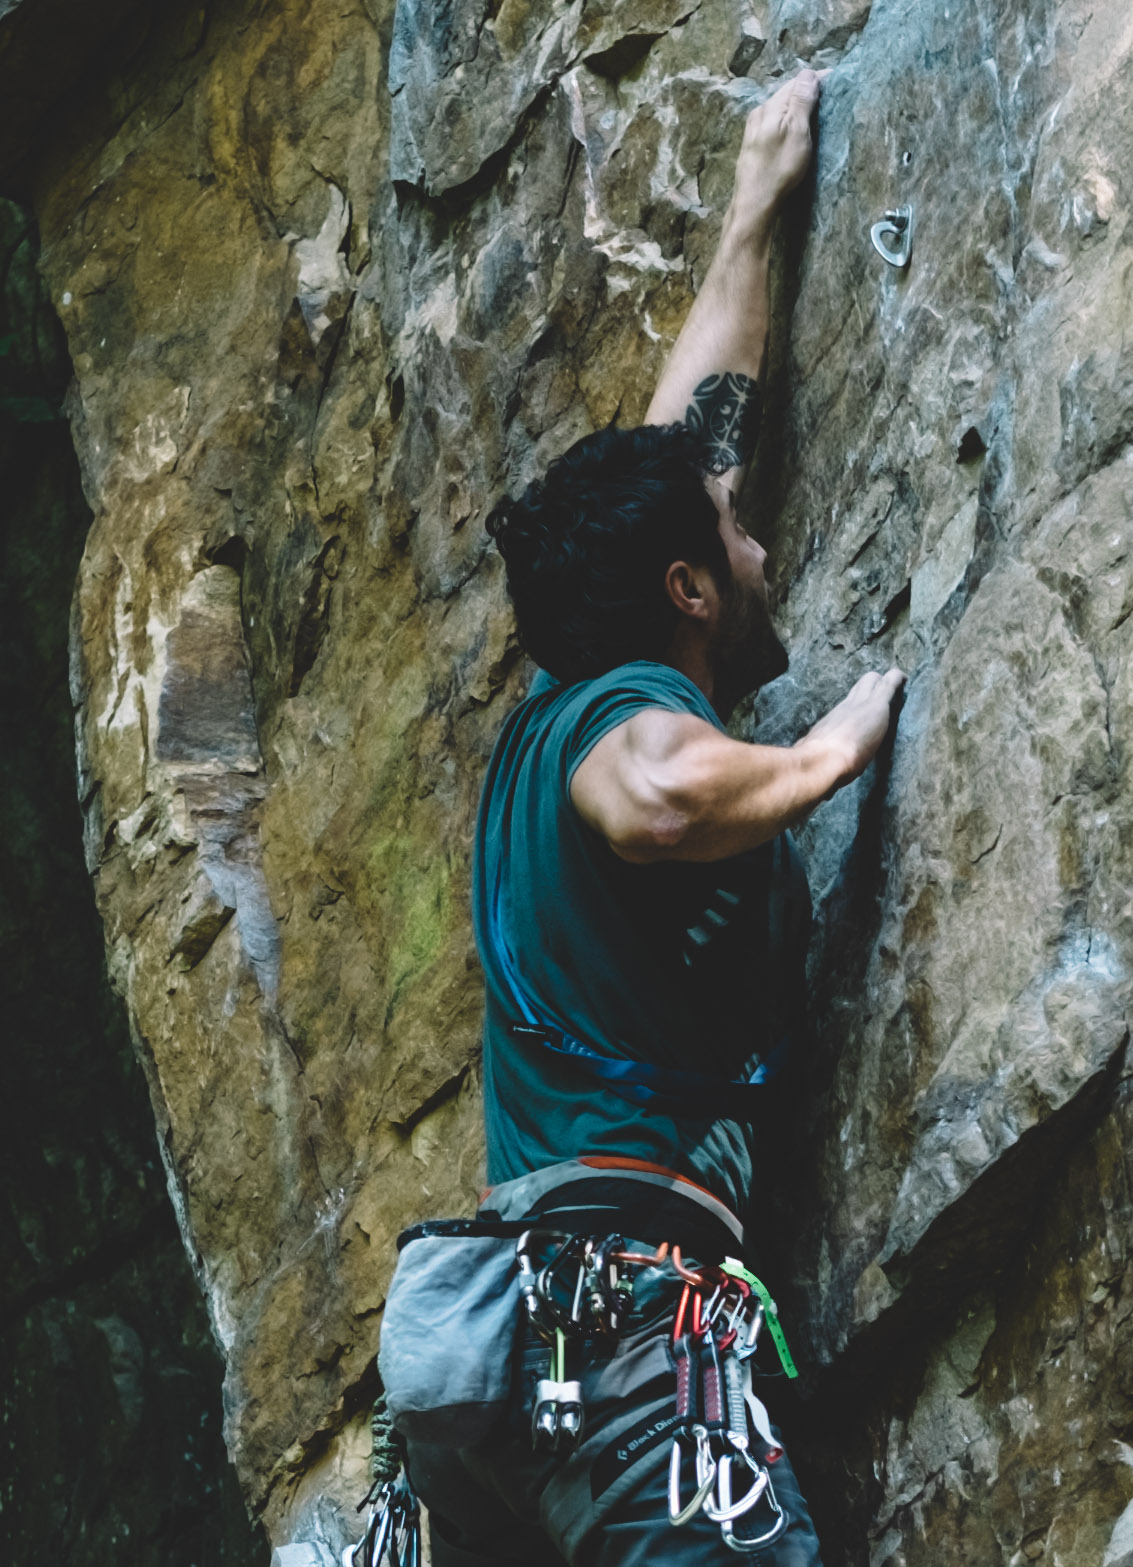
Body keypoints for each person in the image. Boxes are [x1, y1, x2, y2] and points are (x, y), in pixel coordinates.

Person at [403, 67, 906, 1567]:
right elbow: (663, 792)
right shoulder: (612, 731)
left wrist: (762, 191)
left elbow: (691, 453)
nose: (762, 548)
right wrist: (827, 752)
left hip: (505, 1373)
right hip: (620, 1341)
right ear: (686, 590)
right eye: (737, 541)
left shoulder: (566, 704)